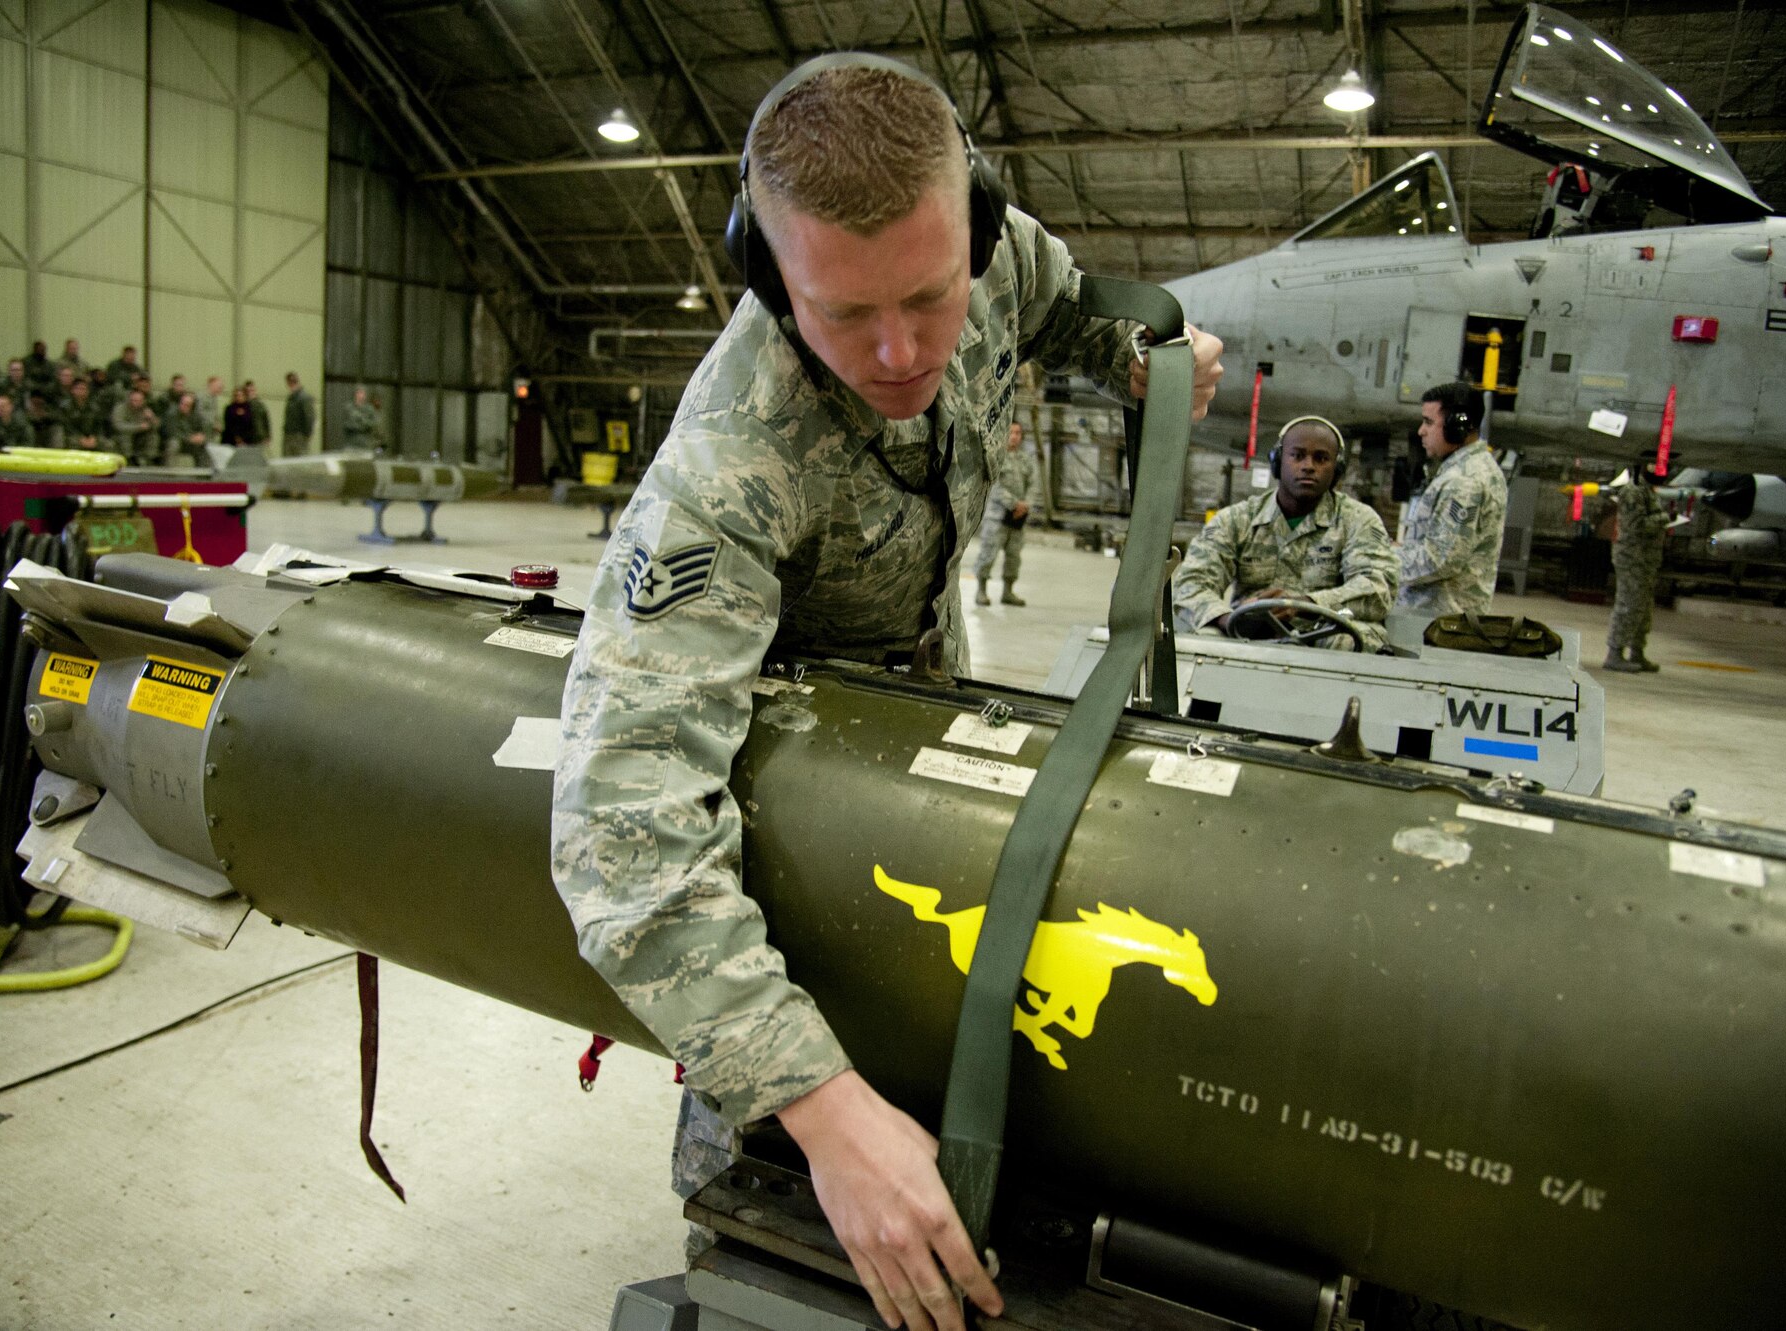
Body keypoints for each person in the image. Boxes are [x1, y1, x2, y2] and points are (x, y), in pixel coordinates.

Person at [552, 55, 1224, 1331]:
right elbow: (618, 832)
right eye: (842, 314)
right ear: (768, 276)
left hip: (920, 698)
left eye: (929, 296)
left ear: (968, 224)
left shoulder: (994, 251)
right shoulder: (729, 466)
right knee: (766, 1173)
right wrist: (816, 1105)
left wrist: (1145, 354)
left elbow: (1072, 306)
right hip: (777, 773)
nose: (902, 349)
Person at [1172, 416, 1400, 649]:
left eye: (1321, 458)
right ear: (1278, 462)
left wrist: (1308, 604)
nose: (1308, 466)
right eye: (1297, 455)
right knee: (1203, 640)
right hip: (1250, 631)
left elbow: (1377, 587)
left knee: (1349, 640)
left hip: (1328, 628)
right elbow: (1191, 583)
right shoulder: (1236, 520)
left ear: (1337, 470)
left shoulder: (1358, 520)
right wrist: (1226, 618)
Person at [1396, 382, 1508, 617]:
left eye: (1428, 422)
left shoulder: (1464, 481)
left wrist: (1380, 560)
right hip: (1438, 617)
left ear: (1457, 426)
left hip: (1436, 621)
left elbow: (1440, 559)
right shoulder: (1471, 469)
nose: (1421, 431)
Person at [1604, 454, 1672, 673]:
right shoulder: (1633, 491)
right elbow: (1637, 525)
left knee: (1643, 607)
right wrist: (1664, 518)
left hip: (1645, 560)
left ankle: (1637, 652)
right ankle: (1614, 653)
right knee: (1628, 604)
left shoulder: (1646, 491)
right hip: (1632, 558)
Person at [971, 420, 1043, 607]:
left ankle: (1008, 591)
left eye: (1018, 433)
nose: (1014, 436)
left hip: (1018, 519)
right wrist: (1014, 503)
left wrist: (1026, 504)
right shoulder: (995, 457)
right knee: (988, 553)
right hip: (997, 516)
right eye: (1011, 432)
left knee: (1014, 556)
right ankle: (981, 590)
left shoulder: (1026, 460)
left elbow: (1034, 484)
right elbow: (994, 485)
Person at [109, 386, 159, 465]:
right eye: (134, 400)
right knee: (125, 436)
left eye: (140, 401)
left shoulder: (145, 409)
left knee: (153, 436)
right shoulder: (120, 408)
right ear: (129, 399)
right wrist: (138, 427)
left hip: (139, 437)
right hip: (121, 437)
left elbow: (157, 427)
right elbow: (118, 426)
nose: (137, 403)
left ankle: (150, 459)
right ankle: (129, 459)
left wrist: (152, 418)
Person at [163, 389, 212, 464]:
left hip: (190, 443)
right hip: (178, 441)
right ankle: (170, 472)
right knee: (173, 444)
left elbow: (203, 428)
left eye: (187, 405)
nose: (183, 406)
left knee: (204, 445)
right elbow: (172, 432)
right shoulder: (172, 414)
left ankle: (204, 473)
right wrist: (189, 438)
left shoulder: (195, 416)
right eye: (182, 403)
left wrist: (201, 436)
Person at [60, 376, 102, 449]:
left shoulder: (94, 407)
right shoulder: (65, 407)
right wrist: (80, 438)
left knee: (106, 444)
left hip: (89, 437)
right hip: (71, 436)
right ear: (72, 390)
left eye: (84, 389)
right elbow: (66, 426)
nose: (81, 391)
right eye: (78, 389)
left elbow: (98, 426)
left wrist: (93, 437)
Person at [282, 372, 316, 455]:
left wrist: (307, 435)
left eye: (293, 382)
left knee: (300, 462)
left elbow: (310, 417)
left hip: (299, 436)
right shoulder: (291, 398)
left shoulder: (304, 398)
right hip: (289, 436)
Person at [340, 386, 378, 451]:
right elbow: (347, 424)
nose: (361, 395)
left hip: (365, 443)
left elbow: (373, 424)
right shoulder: (349, 408)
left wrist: (361, 420)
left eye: (363, 393)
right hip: (351, 443)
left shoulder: (369, 409)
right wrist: (361, 425)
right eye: (359, 393)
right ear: (355, 394)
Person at [243, 379, 272, 447]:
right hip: (248, 439)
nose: (250, 393)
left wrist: (268, 437)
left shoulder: (261, 406)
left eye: (252, 390)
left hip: (260, 438)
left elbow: (266, 421)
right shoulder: (243, 406)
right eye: (248, 391)